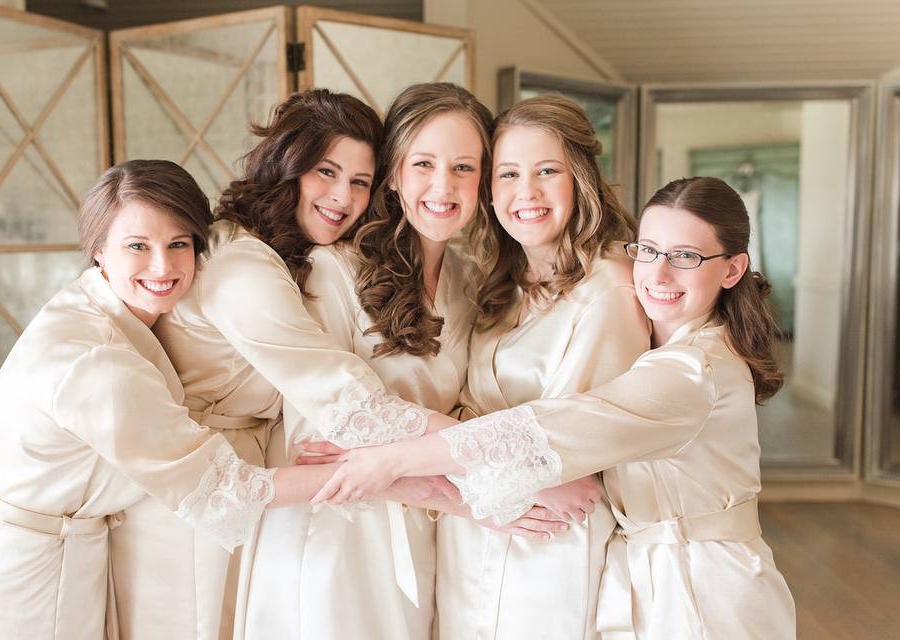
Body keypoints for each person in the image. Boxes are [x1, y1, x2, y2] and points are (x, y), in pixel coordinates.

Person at [307, 176, 797, 639]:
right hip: (649, 574)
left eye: (686, 256)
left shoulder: (694, 373)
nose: (659, 273)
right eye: (647, 250)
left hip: (705, 587)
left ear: (732, 268)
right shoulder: (657, 347)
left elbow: (545, 430)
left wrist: (388, 460)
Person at [115, 89, 470, 640]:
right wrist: (497, 460)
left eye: (359, 181)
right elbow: (348, 403)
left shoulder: (290, 255)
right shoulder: (241, 266)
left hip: (255, 484)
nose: (342, 197)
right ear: (287, 166)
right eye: (325, 172)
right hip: (201, 492)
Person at [0, 160, 278, 639]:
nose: (162, 266)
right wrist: (368, 473)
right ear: (98, 250)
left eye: (179, 243)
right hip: (19, 574)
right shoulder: (97, 359)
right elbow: (217, 489)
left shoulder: (98, 303)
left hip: (56, 550)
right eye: (138, 246)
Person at [243, 82, 502, 640]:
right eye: (424, 163)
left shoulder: (472, 282)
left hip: (430, 531)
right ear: (393, 174)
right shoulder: (333, 269)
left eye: (464, 167)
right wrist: (501, 468)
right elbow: (317, 443)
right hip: (336, 532)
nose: (443, 185)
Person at [432, 95, 649, 639]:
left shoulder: (610, 288)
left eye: (546, 171)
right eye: (508, 174)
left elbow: (570, 440)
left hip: (552, 535)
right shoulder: (496, 283)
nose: (524, 192)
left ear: (580, 179)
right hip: (474, 525)